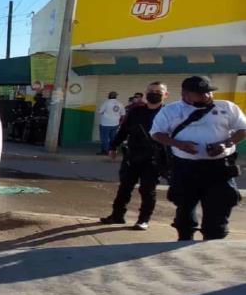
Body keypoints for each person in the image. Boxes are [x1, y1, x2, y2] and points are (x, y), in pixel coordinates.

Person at [151, 76, 246, 241]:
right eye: (200, 93)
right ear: (185, 93)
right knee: (184, 207)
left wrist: (226, 143)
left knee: (220, 206)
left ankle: (214, 239)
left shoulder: (227, 107)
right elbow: (157, 133)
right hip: (186, 167)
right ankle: (185, 237)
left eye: (209, 92)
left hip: (219, 168)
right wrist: (178, 144)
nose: (207, 96)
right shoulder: (171, 110)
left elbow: (242, 129)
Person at [101, 82, 169, 230]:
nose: (154, 93)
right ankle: (117, 216)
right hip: (132, 155)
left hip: (153, 157)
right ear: (146, 92)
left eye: (158, 91)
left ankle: (143, 220)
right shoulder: (136, 111)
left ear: (165, 95)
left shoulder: (168, 113)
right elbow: (124, 130)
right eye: (151, 91)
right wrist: (113, 146)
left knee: (147, 189)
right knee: (124, 187)